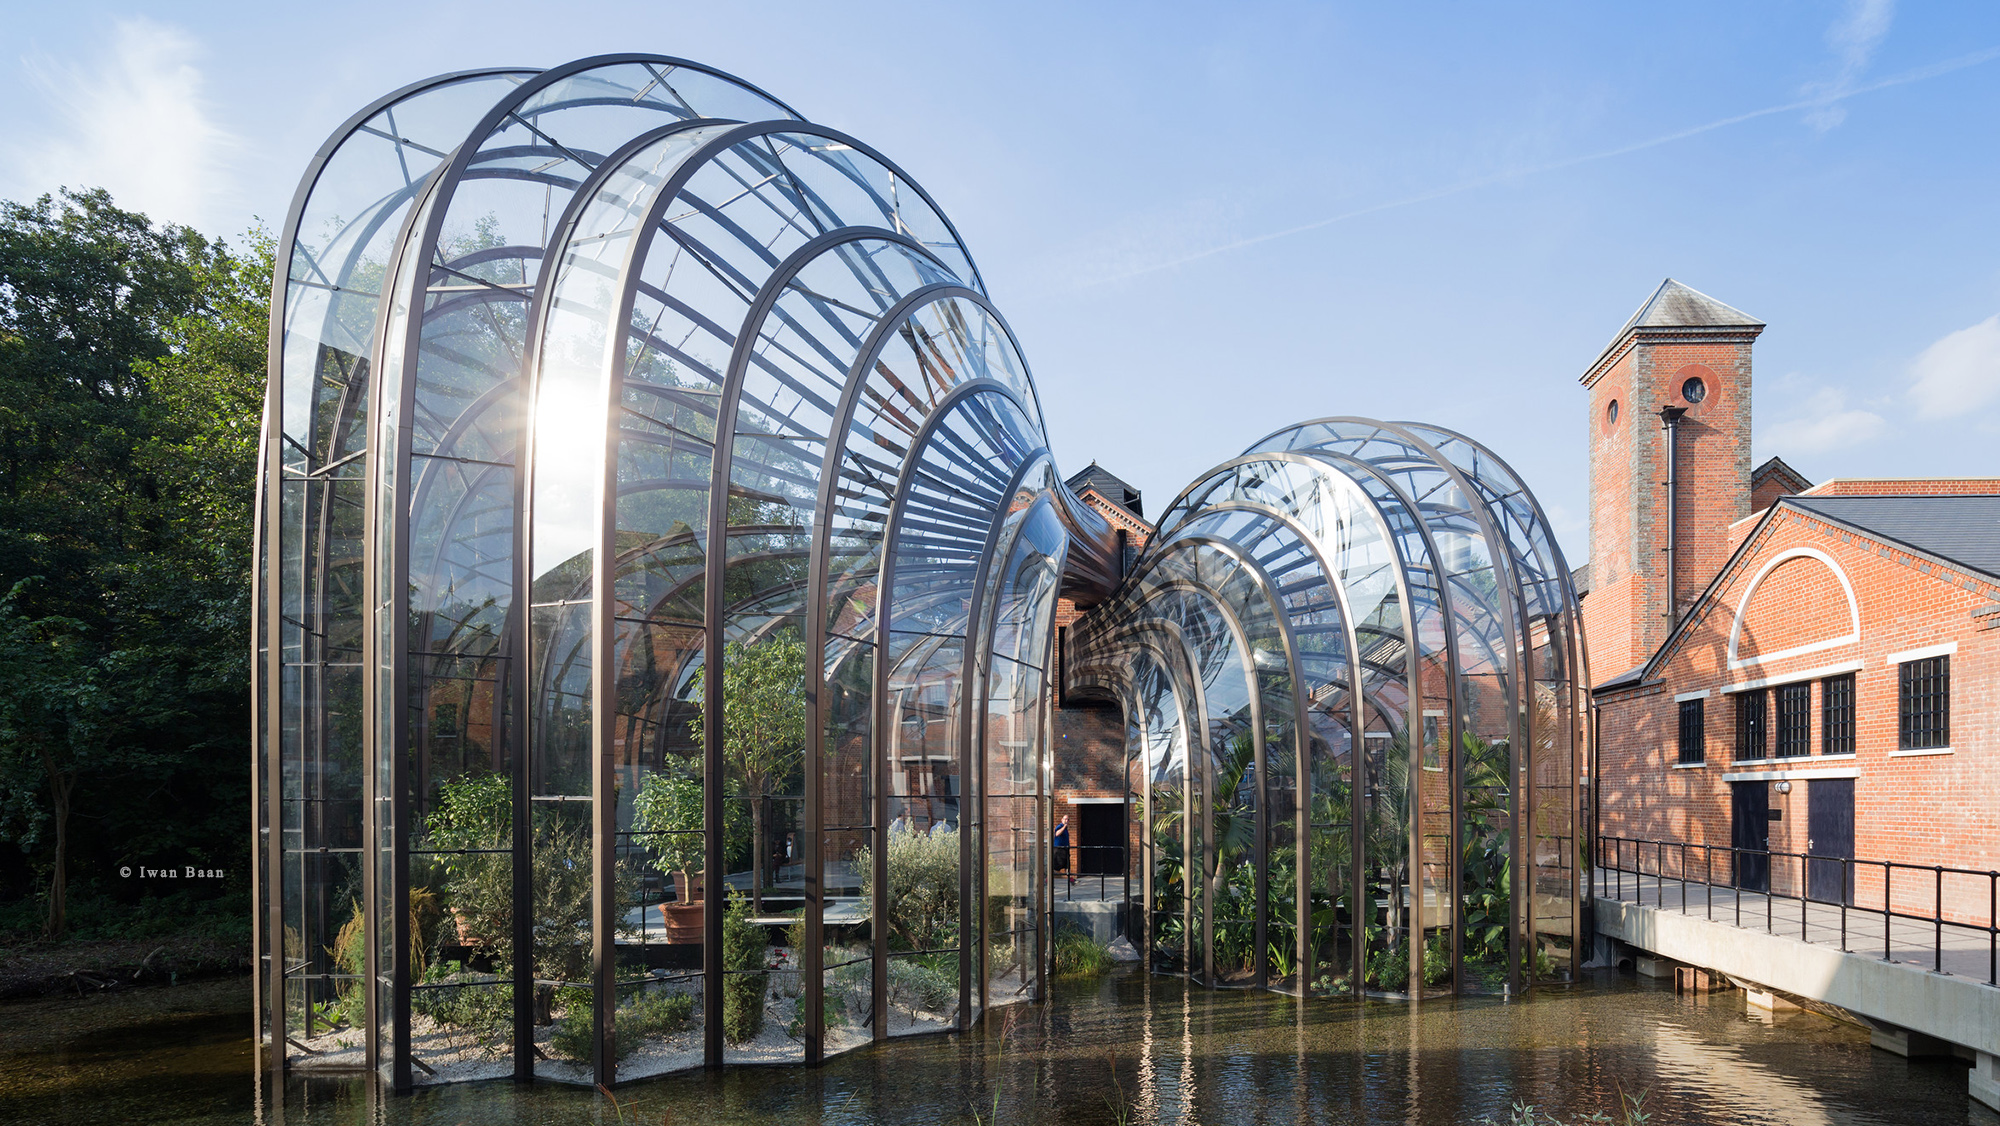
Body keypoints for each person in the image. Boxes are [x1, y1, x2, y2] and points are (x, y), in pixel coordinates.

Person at [1052, 814, 1072, 889]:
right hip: (1059, 850)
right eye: (1065, 819)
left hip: (1065, 849)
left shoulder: (1066, 829)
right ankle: (1048, 880)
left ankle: (1071, 880)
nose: (1066, 821)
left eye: (1068, 819)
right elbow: (1057, 834)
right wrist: (1064, 826)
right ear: (1062, 820)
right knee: (1056, 867)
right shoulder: (1060, 826)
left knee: (1067, 865)